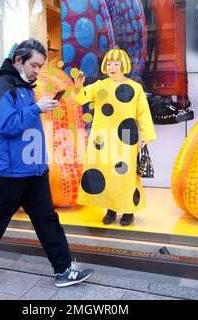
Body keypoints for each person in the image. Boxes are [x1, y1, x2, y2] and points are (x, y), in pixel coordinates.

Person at [0, 39, 93, 287]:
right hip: (9, 172)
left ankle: (64, 269)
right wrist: (36, 108)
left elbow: (26, 125)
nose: (37, 70)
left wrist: (38, 107)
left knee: (47, 220)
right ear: (18, 61)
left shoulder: (25, 87)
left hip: (34, 169)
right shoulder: (0, 88)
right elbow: (6, 126)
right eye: (34, 64)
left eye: (41, 65)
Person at [74, 46, 157, 226]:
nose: (112, 67)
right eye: (109, 63)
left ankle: (128, 210)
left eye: (116, 63)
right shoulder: (99, 86)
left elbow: (143, 113)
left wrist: (146, 136)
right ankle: (110, 210)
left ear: (124, 65)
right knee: (107, 174)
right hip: (103, 138)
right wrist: (79, 86)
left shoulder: (135, 88)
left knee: (125, 175)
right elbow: (81, 99)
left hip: (127, 138)